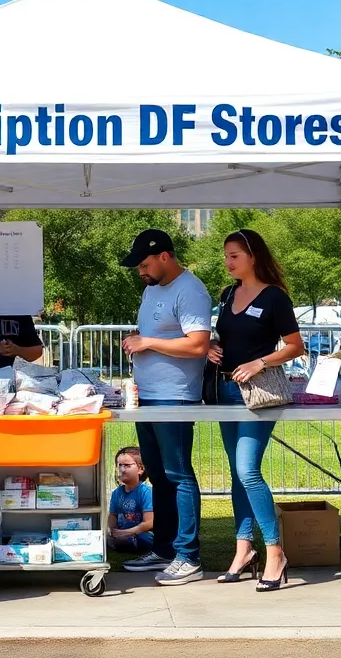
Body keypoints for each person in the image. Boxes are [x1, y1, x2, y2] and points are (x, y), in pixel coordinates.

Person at [207, 229, 304, 591]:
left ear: (253, 256)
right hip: (225, 390)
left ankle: (275, 552)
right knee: (237, 472)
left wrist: (260, 362)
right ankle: (243, 549)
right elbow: (227, 336)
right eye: (226, 256)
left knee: (248, 470)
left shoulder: (275, 297)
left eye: (234, 255)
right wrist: (211, 346)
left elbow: (295, 346)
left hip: (258, 394)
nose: (228, 262)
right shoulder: (228, 294)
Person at [118, 229, 211, 586]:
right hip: (149, 394)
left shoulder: (190, 290)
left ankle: (189, 556)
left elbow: (198, 345)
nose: (140, 272)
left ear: (165, 257)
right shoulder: (152, 288)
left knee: (178, 474)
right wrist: (141, 343)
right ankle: (165, 548)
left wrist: (148, 342)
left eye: (144, 264)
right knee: (158, 475)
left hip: (175, 395)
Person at [107, 447, 154, 555]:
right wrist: (113, 530)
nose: (122, 470)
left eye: (127, 465)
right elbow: (113, 515)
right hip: (124, 533)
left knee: (143, 538)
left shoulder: (145, 492)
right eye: (119, 465)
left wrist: (126, 532)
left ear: (140, 469)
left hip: (141, 533)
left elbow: (149, 523)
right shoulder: (116, 493)